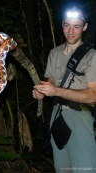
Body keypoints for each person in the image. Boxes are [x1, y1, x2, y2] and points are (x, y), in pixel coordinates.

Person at [33, 5, 96, 173]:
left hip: (81, 117)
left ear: (84, 27)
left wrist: (56, 91)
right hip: (57, 115)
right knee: (62, 168)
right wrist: (42, 90)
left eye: (76, 26)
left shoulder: (92, 55)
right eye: (67, 25)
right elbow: (51, 80)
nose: (71, 31)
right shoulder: (54, 53)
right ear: (62, 25)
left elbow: (92, 96)